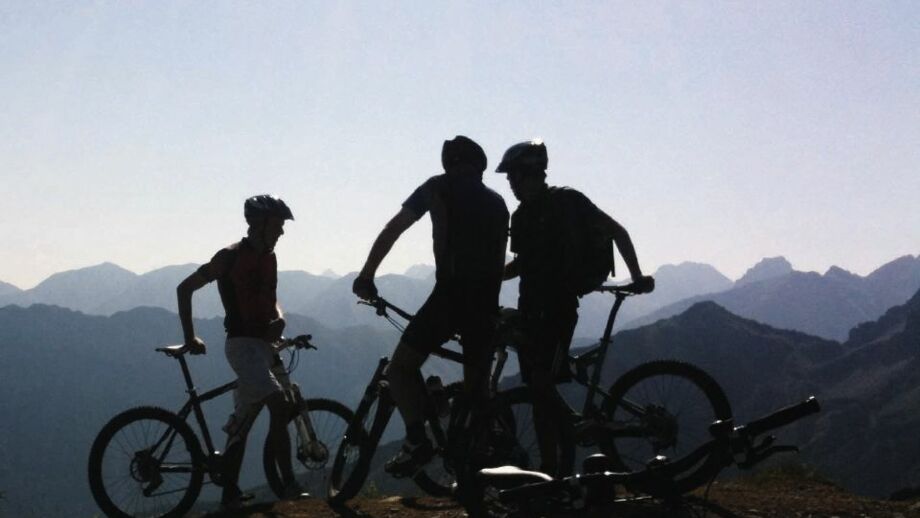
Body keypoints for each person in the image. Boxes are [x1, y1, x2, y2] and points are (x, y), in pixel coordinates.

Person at [496, 139, 654, 478]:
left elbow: (615, 230)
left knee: (539, 385)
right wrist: (487, 279)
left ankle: (559, 468)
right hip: (530, 309)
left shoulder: (568, 200)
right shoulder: (521, 216)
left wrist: (637, 275)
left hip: (558, 310)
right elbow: (523, 264)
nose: (510, 184)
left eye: (513, 177)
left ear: (531, 172)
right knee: (538, 392)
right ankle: (550, 469)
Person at [352, 136, 509, 477]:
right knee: (476, 391)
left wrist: (366, 275)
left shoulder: (437, 188)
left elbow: (392, 230)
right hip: (487, 303)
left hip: (450, 297)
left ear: (448, 162)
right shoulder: (498, 202)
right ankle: (478, 473)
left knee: (399, 370)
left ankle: (417, 441)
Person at [176, 194, 309, 509]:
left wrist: (280, 318)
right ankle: (288, 485)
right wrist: (190, 337)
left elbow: (271, 298)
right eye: (277, 225)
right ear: (259, 224)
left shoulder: (269, 258)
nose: (282, 232)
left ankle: (229, 494)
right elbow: (184, 288)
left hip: (262, 347)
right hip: (241, 346)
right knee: (278, 404)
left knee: (244, 421)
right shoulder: (229, 257)